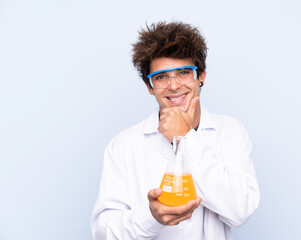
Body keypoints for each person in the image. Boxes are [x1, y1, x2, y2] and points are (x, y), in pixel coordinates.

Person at [91, 21, 260, 240]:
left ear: (201, 76)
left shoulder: (230, 132)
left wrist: (187, 138)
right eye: (161, 77)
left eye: (183, 72)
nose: (173, 85)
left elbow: (241, 210)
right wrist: (151, 218)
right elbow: (103, 232)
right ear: (149, 87)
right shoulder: (123, 145)